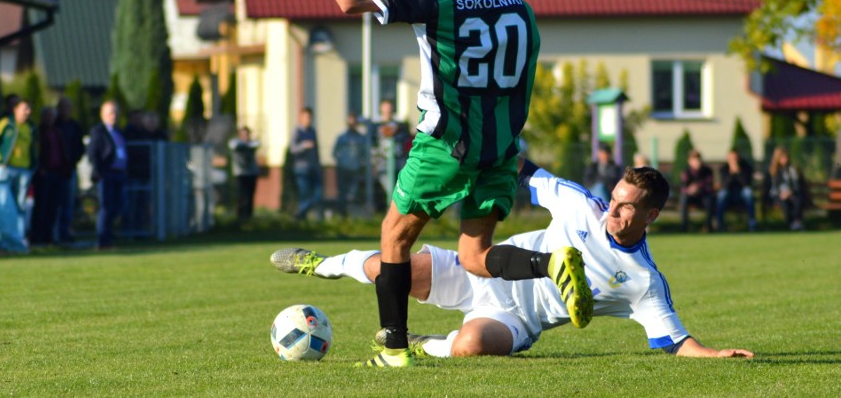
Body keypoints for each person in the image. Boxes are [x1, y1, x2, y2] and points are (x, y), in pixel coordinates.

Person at [295, 0, 578, 370]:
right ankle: (549, 264)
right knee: (474, 254)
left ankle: (394, 350)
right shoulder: (517, 1)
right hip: (501, 150)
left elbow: (349, 1)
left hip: (447, 145)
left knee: (394, 238)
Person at [272, 160, 754, 360]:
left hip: (518, 317)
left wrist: (713, 355)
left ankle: (424, 344)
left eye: (627, 206)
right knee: (390, 270)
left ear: (651, 215)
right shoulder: (580, 203)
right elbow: (524, 169)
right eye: (615, 198)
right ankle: (320, 264)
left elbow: (674, 339)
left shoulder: (644, 281)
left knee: (470, 346)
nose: (613, 210)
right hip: (482, 264)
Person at [0, 98, 36, 252]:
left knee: (20, 206)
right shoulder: (7, 123)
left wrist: (33, 165)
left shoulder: (30, 127)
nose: (28, 112)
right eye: (25, 109)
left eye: (29, 109)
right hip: (7, 169)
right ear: (15, 110)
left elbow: (35, 148)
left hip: (24, 171)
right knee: (2, 205)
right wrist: (0, 161)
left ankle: (18, 240)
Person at [87, 101, 128, 249]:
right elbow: (92, 153)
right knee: (106, 207)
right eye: (110, 112)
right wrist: (99, 171)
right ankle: (103, 241)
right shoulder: (99, 131)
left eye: (116, 112)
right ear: (103, 114)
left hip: (119, 174)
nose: (114, 115)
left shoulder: (118, 131)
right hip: (107, 174)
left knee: (119, 206)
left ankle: (109, 237)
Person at [30, 107, 70, 245]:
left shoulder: (57, 131)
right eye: (47, 116)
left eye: (52, 116)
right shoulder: (38, 132)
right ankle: (37, 237)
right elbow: (35, 151)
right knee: (41, 206)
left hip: (58, 173)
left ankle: (49, 237)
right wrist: (40, 168)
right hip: (44, 174)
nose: (50, 119)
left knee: (53, 207)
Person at [54, 97, 85, 243]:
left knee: (68, 204)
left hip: (69, 170)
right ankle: (52, 235)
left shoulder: (74, 126)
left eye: (68, 107)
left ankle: (65, 233)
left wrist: (72, 162)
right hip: (53, 171)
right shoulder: (54, 125)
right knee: (53, 204)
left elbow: (79, 148)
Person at [372, 99, 410, 201]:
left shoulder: (401, 126)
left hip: (399, 161)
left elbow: (406, 141)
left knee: (401, 188)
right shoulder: (376, 127)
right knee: (391, 190)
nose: (388, 111)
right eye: (385, 109)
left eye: (389, 108)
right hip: (383, 162)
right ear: (381, 109)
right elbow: (373, 147)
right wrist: (374, 164)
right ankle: (392, 210)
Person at [290, 107, 322, 221]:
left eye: (310, 117)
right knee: (304, 194)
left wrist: (318, 164)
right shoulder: (297, 132)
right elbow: (292, 149)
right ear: (301, 117)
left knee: (318, 195)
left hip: (313, 167)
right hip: (301, 168)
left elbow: (316, 149)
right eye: (306, 117)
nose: (308, 119)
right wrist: (304, 145)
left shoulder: (312, 131)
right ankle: (301, 218)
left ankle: (300, 214)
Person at [333, 113, 366, 216]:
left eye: (354, 121)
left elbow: (364, 153)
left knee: (353, 193)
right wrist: (341, 162)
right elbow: (335, 152)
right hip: (343, 169)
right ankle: (341, 215)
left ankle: (352, 216)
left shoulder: (361, 138)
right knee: (342, 192)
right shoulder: (342, 138)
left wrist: (360, 163)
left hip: (356, 169)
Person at [716, 149, 756, 232]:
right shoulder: (724, 169)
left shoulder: (746, 167)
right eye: (731, 158)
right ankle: (719, 223)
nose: (733, 160)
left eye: (735, 158)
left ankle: (752, 223)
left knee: (748, 192)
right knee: (722, 194)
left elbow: (746, 183)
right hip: (729, 195)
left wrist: (738, 172)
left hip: (741, 195)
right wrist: (731, 173)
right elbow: (725, 185)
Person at [766, 147, 806, 231]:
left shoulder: (792, 169)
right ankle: (791, 223)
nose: (785, 160)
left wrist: (790, 192)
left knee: (797, 200)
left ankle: (797, 222)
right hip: (777, 195)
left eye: (786, 157)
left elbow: (796, 184)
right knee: (785, 203)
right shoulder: (773, 170)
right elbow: (773, 187)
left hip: (791, 193)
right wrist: (781, 193)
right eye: (783, 157)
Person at [678, 149, 715, 232]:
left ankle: (708, 226)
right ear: (689, 161)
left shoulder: (707, 171)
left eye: (698, 159)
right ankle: (684, 227)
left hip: (704, 196)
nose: (697, 162)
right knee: (684, 198)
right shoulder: (686, 172)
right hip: (691, 197)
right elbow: (683, 187)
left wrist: (697, 187)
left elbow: (709, 187)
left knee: (710, 200)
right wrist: (689, 190)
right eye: (694, 160)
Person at [229, 126, 260, 222]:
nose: (245, 136)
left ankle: (248, 218)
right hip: (240, 174)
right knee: (241, 196)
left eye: (247, 134)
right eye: (243, 134)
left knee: (250, 196)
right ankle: (240, 218)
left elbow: (256, 144)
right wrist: (245, 145)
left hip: (251, 173)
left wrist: (247, 145)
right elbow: (234, 145)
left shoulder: (252, 143)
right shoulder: (235, 143)